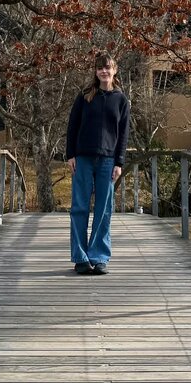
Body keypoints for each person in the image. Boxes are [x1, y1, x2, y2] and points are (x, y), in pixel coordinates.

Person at [65, 52, 130, 275]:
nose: (104, 71)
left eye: (108, 68)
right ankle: (81, 258)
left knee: (104, 210)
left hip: (108, 161)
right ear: (96, 72)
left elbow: (123, 135)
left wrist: (119, 162)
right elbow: (72, 126)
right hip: (82, 158)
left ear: (114, 70)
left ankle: (99, 256)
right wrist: (70, 155)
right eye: (100, 68)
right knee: (80, 208)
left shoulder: (121, 100)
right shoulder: (84, 97)